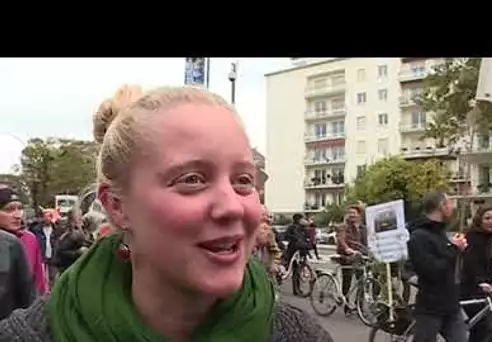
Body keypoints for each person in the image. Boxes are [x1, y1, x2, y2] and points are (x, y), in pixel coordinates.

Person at [0, 85, 333, 342]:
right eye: (192, 180)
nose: (232, 205)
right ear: (117, 206)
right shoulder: (32, 335)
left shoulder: (300, 335)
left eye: (243, 181)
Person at [407, 190, 468, 342]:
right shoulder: (419, 236)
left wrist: (458, 249)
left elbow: (449, 264)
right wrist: (454, 249)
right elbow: (431, 270)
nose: (453, 208)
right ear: (441, 206)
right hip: (431, 309)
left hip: (451, 305)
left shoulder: (440, 232)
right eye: (449, 203)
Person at [461, 206, 492, 342]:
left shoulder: (488, 237)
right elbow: (470, 262)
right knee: (481, 326)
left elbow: (488, 263)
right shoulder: (472, 236)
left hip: (479, 286)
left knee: (484, 327)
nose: (491, 221)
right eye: (487, 218)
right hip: (467, 286)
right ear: (479, 220)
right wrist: (480, 281)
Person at [0, 186, 36, 319]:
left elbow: (34, 282)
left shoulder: (28, 239)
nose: (17, 215)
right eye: (9, 209)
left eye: (19, 208)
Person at [335, 204, 367, 313]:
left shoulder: (363, 228)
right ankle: (346, 305)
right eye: (350, 213)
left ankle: (360, 306)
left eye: (354, 213)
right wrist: (347, 248)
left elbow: (366, 242)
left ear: (359, 215)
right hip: (347, 256)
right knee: (347, 281)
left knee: (362, 282)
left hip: (359, 257)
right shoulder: (343, 226)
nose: (351, 215)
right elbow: (341, 239)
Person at [54, 208, 93, 274]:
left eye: (81, 215)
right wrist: (78, 252)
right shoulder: (67, 232)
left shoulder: (84, 229)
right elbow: (61, 251)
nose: (81, 218)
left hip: (80, 267)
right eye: (78, 216)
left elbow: (87, 241)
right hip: (68, 268)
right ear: (72, 219)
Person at [30, 208, 61, 285]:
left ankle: (52, 292)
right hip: (41, 255)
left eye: (49, 216)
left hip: (52, 255)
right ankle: (43, 292)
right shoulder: (36, 229)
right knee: (41, 276)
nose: (47, 219)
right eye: (45, 216)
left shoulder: (56, 229)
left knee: (53, 276)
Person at [284, 213, 311, 296]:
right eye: (302, 219)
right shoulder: (291, 227)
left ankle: (297, 289)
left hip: (302, 251)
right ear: (298, 219)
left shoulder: (303, 228)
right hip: (293, 250)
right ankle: (296, 289)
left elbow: (307, 237)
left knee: (299, 270)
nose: (304, 220)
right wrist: (294, 238)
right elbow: (286, 236)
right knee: (295, 270)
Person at [253, 207, 283, 278]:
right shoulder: (246, 229)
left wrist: (274, 263)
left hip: (264, 268)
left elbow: (275, 251)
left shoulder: (268, 231)